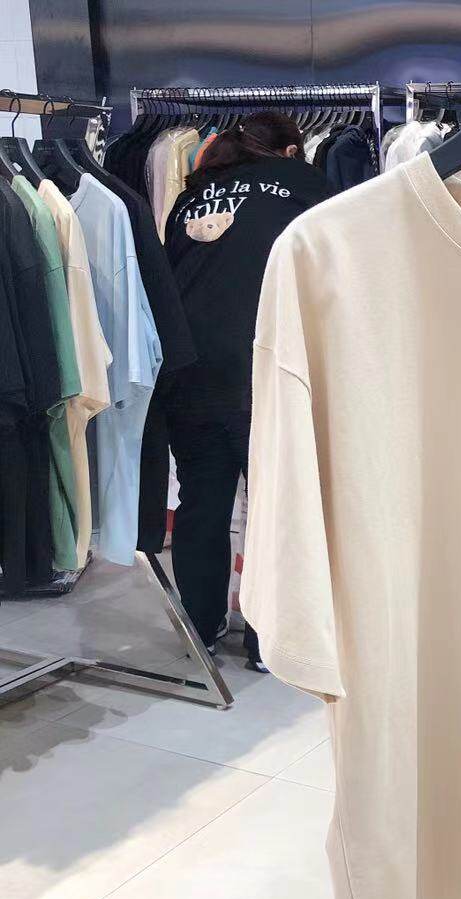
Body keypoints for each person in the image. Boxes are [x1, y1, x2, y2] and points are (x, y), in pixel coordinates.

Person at [164, 111, 334, 669]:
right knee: (272, 501)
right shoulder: (307, 185)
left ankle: (201, 627)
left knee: (202, 500)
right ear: (290, 151)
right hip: (263, 362)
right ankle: (265, 640)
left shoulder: (192, 195)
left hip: (190, 367)